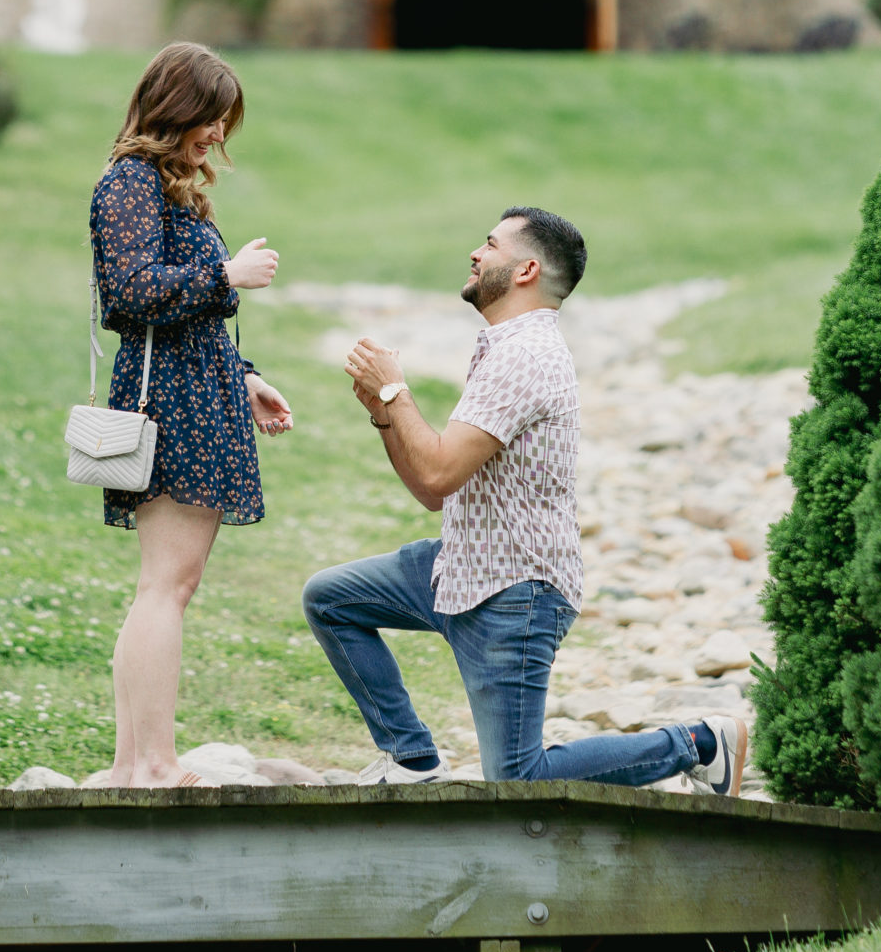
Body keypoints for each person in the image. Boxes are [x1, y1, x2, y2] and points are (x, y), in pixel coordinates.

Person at [302, 207, 746, 794]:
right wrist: (385, 415)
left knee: (517, 776)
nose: (475, 253)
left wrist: (395, 387)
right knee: (332, 600)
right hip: (457, 567)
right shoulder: (503, 347)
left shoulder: (525, 356)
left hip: (515, 593)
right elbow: (434, 493)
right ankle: (410, 757)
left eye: (489, 244)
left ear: (526, 269)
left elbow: (434, 475)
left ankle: (700, 744)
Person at [90, 43, 293, 786]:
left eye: (222, 120)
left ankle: (131, 763)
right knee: (163, 585)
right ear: (174, 107)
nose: (216, 132)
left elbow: (184, 316)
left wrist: (244, 379)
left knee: (170, 584)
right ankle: (150, 763)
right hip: (169, 402)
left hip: (201, 392)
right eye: (208, 116)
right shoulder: (129, 183)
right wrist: (226, 273)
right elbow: (130, 294)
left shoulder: (165, 188)